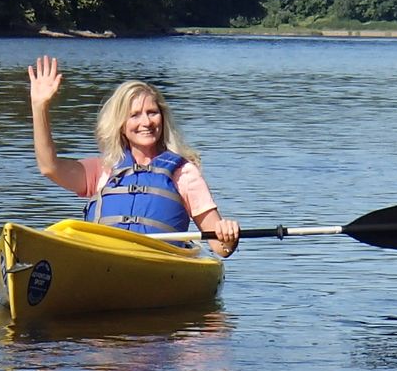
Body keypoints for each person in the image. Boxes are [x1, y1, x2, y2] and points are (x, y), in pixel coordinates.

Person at [25, 54, 240, 257]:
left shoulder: (184, 173)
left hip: (159, 264)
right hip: (103, 261)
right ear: (121, 124)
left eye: (152, 113)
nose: (146, 122)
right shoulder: (102, 169)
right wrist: (39, 107)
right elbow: (49, 167)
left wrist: (228, 236)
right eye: (134, 115)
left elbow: (220, 247)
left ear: (163, 118)